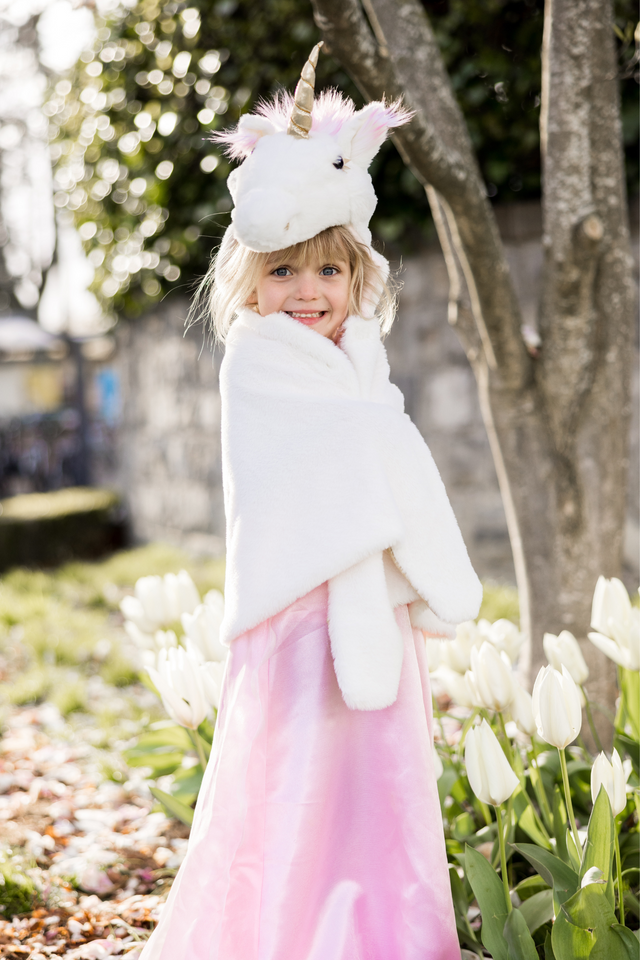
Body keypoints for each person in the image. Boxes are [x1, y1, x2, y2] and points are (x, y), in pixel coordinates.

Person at [141, 43, 481, 960]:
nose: (307, 293)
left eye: (328, 273)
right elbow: (347, 459)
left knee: (378, 787)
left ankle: (383, 936)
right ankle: (293, 938)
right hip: (299, 613)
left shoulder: (359, 359)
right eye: (284, 272)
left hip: (371, 612)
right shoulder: (257, 363)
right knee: (298, 788)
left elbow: (375, 447)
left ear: (357, 279)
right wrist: (386, 453)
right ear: (251, 281)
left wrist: (385, 456)